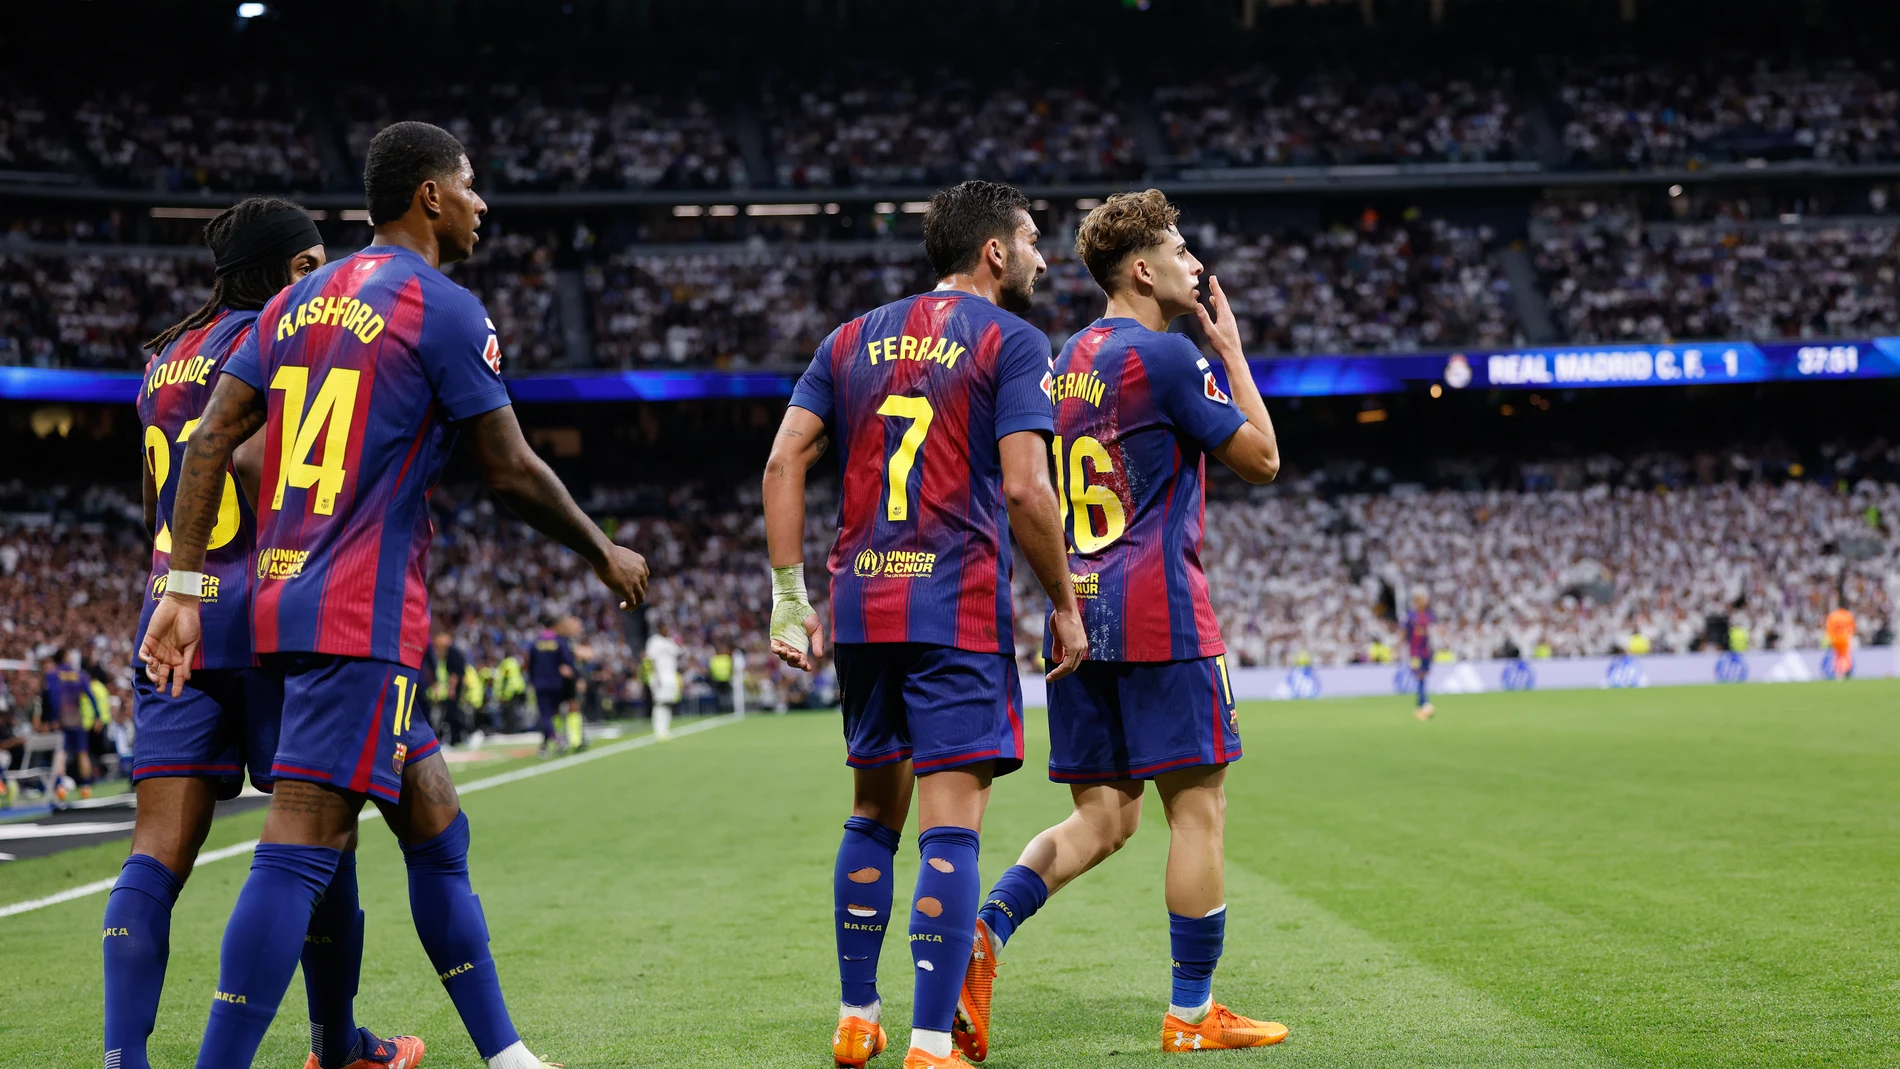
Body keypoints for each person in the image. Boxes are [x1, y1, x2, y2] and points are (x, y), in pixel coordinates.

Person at [138, 121, 649, 1069]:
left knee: (435, 817)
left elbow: (217, 445)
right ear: (428, 197)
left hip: (279, 605)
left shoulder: (290, 305)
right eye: (468, 186)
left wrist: (180, 586)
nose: (480, 204)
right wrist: (601, 549)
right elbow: (508, 468)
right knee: (301, 839)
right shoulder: (444, 307)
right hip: (357, 609)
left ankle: (508, 1052)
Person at [763, 178, 1087, 1069]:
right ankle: (930, 1040)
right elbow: (1025, 487)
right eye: (1032, 240)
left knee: (872, 814)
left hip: (862, 603)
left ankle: (858, 1013)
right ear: (994, 252)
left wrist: (790, 597)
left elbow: (784, 456)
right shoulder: (1015, 341)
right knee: (952, 828)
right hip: (954, 605)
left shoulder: (849, 338)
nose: (1042, 257)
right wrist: (1063, 602)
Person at [953, 189, 1283, 1060]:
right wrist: (1232, 351)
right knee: (1197, 814)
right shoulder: (1168, 359)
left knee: (1104, 818)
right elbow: (1264, 458)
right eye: (1180, 252)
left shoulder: (1063, 364)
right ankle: (1191, 1013)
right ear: (1143, 269)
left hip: (1082, 617)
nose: (1194, 267)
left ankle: (983, 933)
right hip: (1162, 616)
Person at [108, 196, 422, 1069]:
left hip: (174, 608)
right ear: (290, 270)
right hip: (274, 612)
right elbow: (252, 460)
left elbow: (155, 502)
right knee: (316, 829)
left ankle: (121, 1060)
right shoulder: (281, 337)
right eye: (315, 261)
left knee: (154, 855)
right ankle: (336, 1040)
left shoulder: (165, 358)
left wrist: (182, 576)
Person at [48, 649, 94, 801]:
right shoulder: (79, 674)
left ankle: (60, 785)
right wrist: (98, 714)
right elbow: (90, 695)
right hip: (76, 716)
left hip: (62, 717)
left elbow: (53, 696)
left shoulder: (53, 674)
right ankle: (86, 786)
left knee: (61, 752)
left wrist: (54, 717)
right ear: (65, 657)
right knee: (82, 752)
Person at [526, 619, 575, 756]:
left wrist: (531, 680)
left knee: (546, 716)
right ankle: (549, 744)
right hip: (556, 683)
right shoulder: (559, 641)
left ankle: (556, 741)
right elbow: (568, 662)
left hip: (541, 683)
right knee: (553, 715)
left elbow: (530, 664)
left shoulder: (536, 642)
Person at [422, 630, 469, 747]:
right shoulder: (449, 653)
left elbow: (454, 674)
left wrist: (451, 689)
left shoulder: (452, 653)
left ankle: (465, 733)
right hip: (450, 688)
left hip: (453, 689)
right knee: (450, 713)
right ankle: (456, 738)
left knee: (453, 713)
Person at [643, 625, 681, 740]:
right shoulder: (654, 641)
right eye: (665, 628)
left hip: (671, 677)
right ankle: (658, 730)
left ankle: (665, 729)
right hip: (659, 676)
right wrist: (654, 675)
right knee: (659, 703)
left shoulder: (671, 642)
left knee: (668, 702)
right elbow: (649, 658)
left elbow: (679, 653)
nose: (667, 630)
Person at [1404, 591, 1435, 720]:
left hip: (1427, 651)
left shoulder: (1429, 615)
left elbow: (1433, 631)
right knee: (1419, 675)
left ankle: (1419, 706)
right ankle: (1425, 703)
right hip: (1415, 653)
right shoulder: (1411, 616)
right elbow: (1404, 632)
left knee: (1423, 676)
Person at [1826, 602, 1855, 678]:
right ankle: (1845, 671)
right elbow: (1852, 629)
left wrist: (1830, 639)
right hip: (1845, 638)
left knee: (1837, 657)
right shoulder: (1848, 615)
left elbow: (1829, 629)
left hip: (1835, 639)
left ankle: (1839, 674)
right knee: (1845, 656)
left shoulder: (1833, 615)